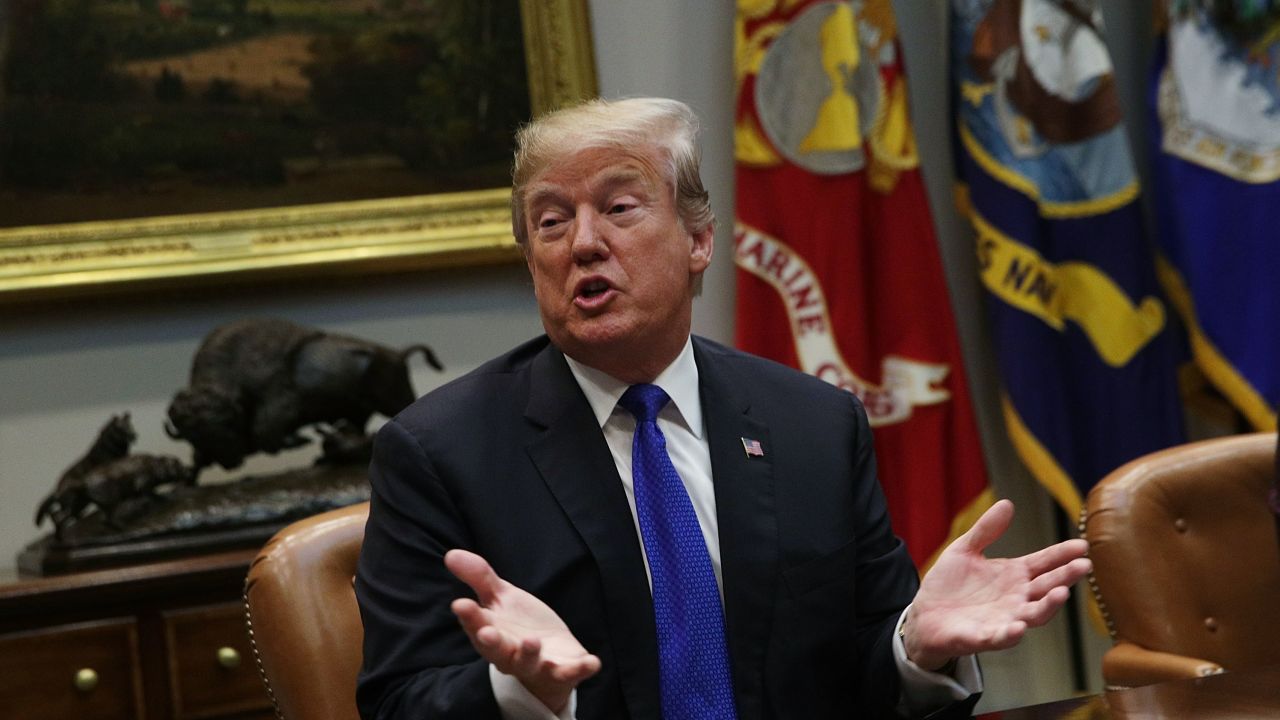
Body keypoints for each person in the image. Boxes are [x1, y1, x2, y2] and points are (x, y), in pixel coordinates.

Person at [355, 97, 1092, 720]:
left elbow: (857, 670)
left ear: (699, 240)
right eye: (550, 222)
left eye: (617, 207)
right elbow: (397, 699)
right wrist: (516, 690)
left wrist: (917, 650)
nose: (582, 243)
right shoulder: (439, 452)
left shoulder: (814, 426)